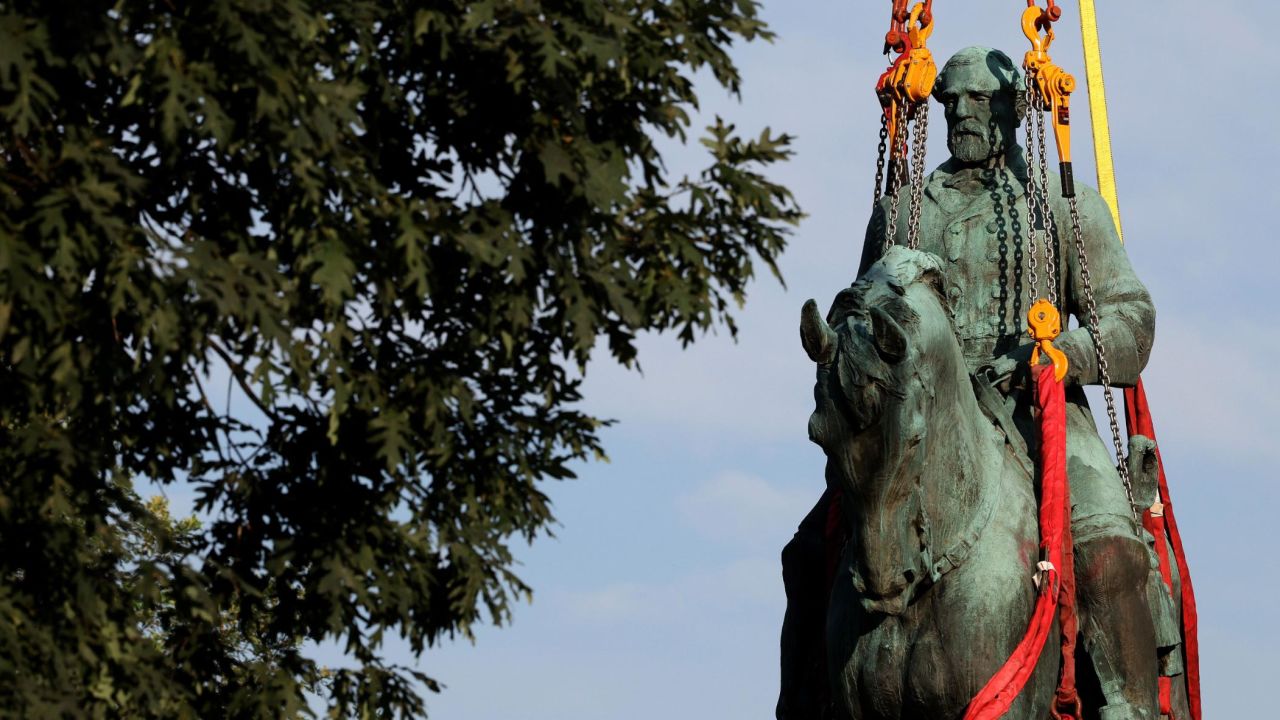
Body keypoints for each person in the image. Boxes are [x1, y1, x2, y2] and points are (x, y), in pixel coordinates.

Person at [779, 47, 1165, 720]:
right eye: (951, 98)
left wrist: (1063, 354)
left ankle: (1128, 706)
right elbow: (870, 321)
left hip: (1038, 409)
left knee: (1107, 546)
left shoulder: (1063, 204)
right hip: (923, 417)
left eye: (979, 99)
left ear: (1015, 108)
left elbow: (1131, 319)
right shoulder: (902, 214)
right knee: (811, 551)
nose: (961, 111)